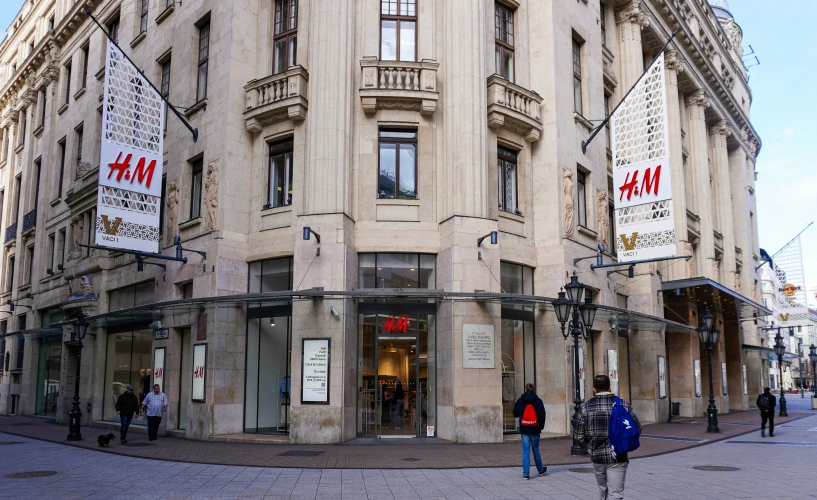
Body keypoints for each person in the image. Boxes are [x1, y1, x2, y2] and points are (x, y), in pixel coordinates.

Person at [574, 375, 642, 500]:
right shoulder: (623, 405)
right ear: (610, 388)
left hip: (597, 456)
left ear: (594, 389)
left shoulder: (586, 408)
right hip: (618, 455)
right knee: (615, 494)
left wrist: (590, 449)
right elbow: (637, 428)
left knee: (603, 491)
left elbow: (578, 436)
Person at [512, 383, 547, 480]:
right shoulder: (538, 401)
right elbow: (542, 415)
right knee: (536, 450)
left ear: (525, 390)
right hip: (535, 429)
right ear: (534, 390)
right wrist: (540, 427)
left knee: (525, 451)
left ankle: (526, 474)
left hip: (524, 428)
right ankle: (540, 470)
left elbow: (515, 413)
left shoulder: (520, 400)